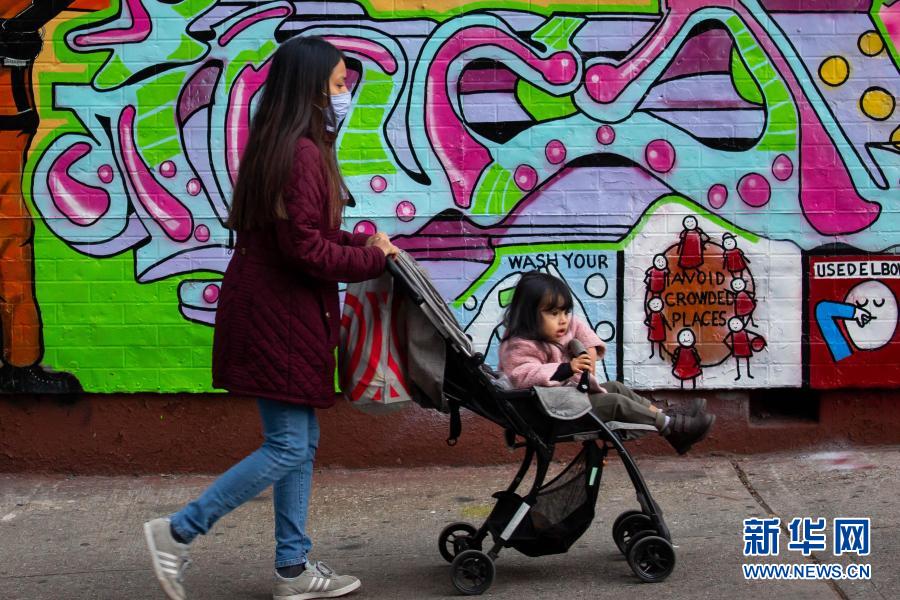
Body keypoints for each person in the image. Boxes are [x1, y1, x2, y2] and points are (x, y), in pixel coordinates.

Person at [142, 36, 399, 600]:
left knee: (299, 442)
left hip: (281, 313)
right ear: (311, 88)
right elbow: (303, 249)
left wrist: (360, 242)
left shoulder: (283, 144)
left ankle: (292, 568)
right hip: (278, 317)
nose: (345, 94)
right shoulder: (301, 153)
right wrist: (372, 260)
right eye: (339, 84)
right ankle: (177, 531)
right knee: (287, 445)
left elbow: (304, 233)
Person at [497, 271, 714, 455]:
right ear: (528, 316)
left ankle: (667, 419)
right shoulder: (519, 346)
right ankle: (670, 426)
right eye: (554, 313)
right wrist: (566, 368)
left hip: (566, 400)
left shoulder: (556, 329)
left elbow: (577, 327)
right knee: (614, 402)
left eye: (565, 311)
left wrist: (590, 349)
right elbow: (522, 375)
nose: (563, 319)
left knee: (616, 387)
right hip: (550, 413)